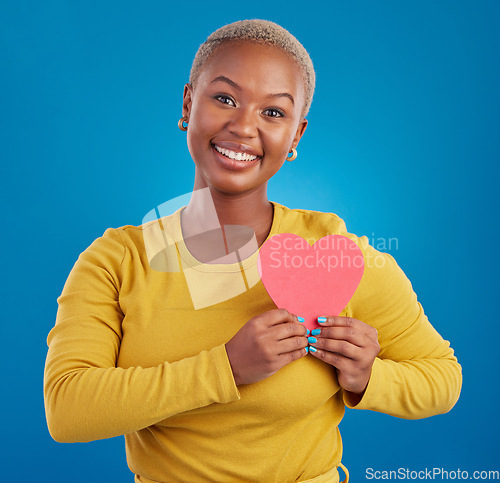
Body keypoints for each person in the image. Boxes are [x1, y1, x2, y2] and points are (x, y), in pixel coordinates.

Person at [43, 19, 462, 483]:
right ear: (188, 104)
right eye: (224, 99)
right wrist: (224, 368)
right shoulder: (116, 260)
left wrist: (367, 378)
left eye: (274, 113)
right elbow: (67, 410)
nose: (243, 127)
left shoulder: (335, 255)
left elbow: (443, 378)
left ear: (296, 136)